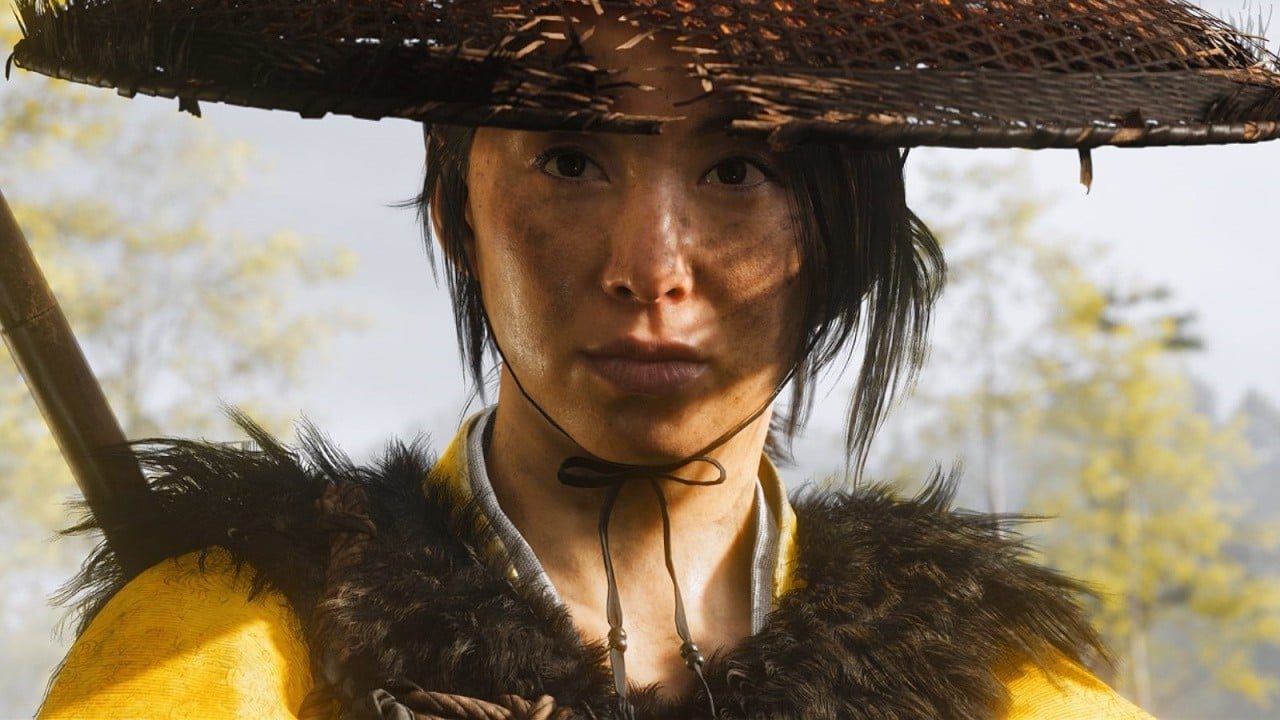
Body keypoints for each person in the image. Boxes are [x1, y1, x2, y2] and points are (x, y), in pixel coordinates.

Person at [12, 1, 1279, 718]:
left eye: (736, 170)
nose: (649, 265)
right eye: (570, 160)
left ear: (838, 237)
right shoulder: (237, 646)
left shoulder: (999, 692)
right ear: (458, 214)